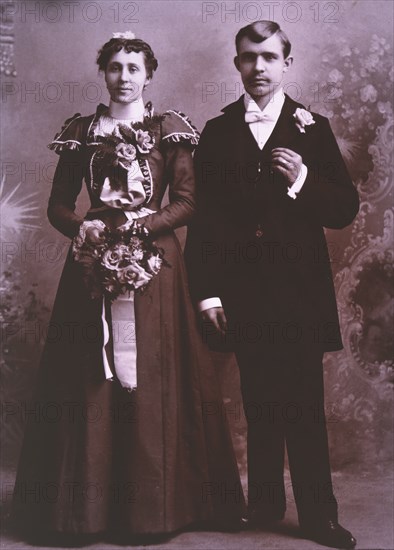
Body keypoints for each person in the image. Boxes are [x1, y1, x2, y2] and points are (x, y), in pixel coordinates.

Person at [13, 32, 245, 543]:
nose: (124, 77)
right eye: (115, 67)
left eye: (134, 68)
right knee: (94, 377)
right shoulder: (82, 130)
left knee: (151, 376)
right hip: (92, 264)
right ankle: (88, 510)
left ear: (149, 74)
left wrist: (142, 227)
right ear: (104, 72)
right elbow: (57, 203)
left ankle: (155, 509)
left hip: (155, 268)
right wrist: (83, 227)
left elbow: (187, 202)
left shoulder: (170, 130)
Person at [185, 21, 359, 549]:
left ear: (286, 61)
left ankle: (317, 515)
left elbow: (343, 208)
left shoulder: (313, 127)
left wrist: (303, 180)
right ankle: (263, 502)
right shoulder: (217, 132)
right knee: (258, 399)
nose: (257, 67)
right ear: (236, 64)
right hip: (243, 293)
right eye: (246, 57)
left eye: (266, 56)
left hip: (299, 294)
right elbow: (206, 221)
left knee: (303, 403)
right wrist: (209, 292)